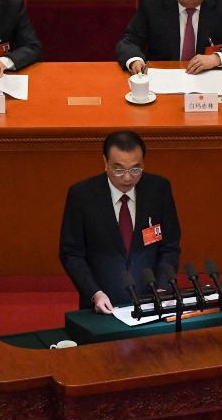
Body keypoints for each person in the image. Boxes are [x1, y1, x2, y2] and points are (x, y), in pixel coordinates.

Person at [59, 131, 181, 313]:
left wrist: (163, 287)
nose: (127, 177)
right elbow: (71, 253)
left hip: (151, 302)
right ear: (105, 162)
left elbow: (169, 245)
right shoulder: (82, 196)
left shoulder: (158, 189)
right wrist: (95, 293)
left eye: (135, 169)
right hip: (102, 305)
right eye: (118, 169)